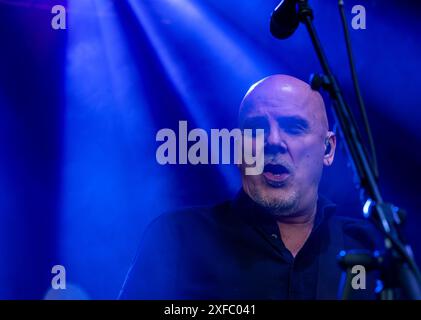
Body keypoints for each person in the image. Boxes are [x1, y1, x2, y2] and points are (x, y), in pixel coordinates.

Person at [119, 74, 382, 300]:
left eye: (293, 127)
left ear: (328, 148)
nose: (273, 141)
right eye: (256, 128)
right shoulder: (178, 237)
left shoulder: (369, 246)